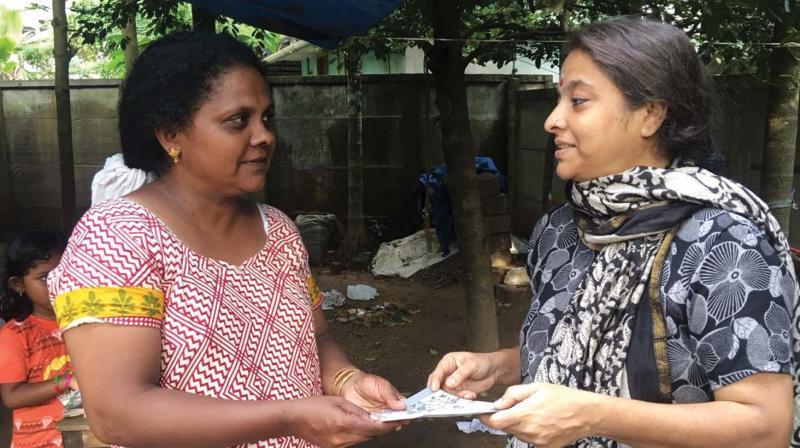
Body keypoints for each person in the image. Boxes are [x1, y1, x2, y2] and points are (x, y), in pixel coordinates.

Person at [428, 16, 798, 448]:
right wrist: (497, 367)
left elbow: (763, 426)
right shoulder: (560, 229)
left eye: (578, 100)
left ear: (650, 114)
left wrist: (590, 415)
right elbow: (575, 346)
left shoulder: (723, 241)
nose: (552, 120)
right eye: (557, 99)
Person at [48, 31, 404, 448]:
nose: (264, 135)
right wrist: (289, 416)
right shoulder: (117, 235)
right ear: (171, 136)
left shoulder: (280, 231)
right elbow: (117, 414)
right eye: (239, 121)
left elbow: (318, 338)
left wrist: (348, 381)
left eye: (266, 118)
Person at [0, 230, 80, 448]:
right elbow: (12, 397)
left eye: (65, 272)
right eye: (45, 278)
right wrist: (65, 381)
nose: (58, 283)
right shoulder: (15, 334)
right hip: (39, 443)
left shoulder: (83, 322)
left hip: (83, 437)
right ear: (18, 285)